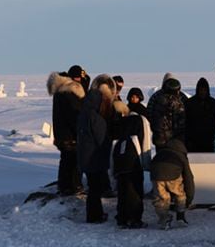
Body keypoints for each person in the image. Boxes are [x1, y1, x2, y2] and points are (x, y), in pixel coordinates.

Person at [77, 81, 115, 223]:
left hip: (84, 157)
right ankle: (95, 216)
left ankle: (94, 214)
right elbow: (102, 139)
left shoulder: (83, 114)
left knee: (92, 188)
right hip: (94, 158)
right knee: (95, 189)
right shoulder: (96, 118)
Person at [46, 65, 86, 195]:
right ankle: (73, 186)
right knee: (73, 161)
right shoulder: (69, 93)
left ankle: (65, 185)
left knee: (66, 160)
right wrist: (79, 130)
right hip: (70, 134)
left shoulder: (61, 90)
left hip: (62, 134)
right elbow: (74, 115)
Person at [112, 101, 150, 229]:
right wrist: (146, 163)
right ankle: (134, 219)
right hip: (134, 157)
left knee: (122, 188)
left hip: (119, 157)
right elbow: (145, 141)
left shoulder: (121, 120)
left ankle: (122, 218)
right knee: (135, 189)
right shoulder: (141, 120)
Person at [150, 138, 195, 230]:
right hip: (173, 175)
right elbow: (188, 178)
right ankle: (180, 216)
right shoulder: (180, 156)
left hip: (156, 175)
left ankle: (164, 219)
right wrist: (189, 199)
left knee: (161, 198)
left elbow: (152, 165)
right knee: (179, 195)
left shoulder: (160, 153)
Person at [147, 75, 187, 147]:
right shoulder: (181, 97)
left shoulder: (156, 97)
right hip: (171, 138)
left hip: (165, 137)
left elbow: (149, 113)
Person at [185, 78, 215, 152]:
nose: (202, 92)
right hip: (193, 141)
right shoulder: (190, 103)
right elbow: (186, 123)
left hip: (209, 140)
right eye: (201, 90)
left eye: (204, 90)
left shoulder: (214, 104)